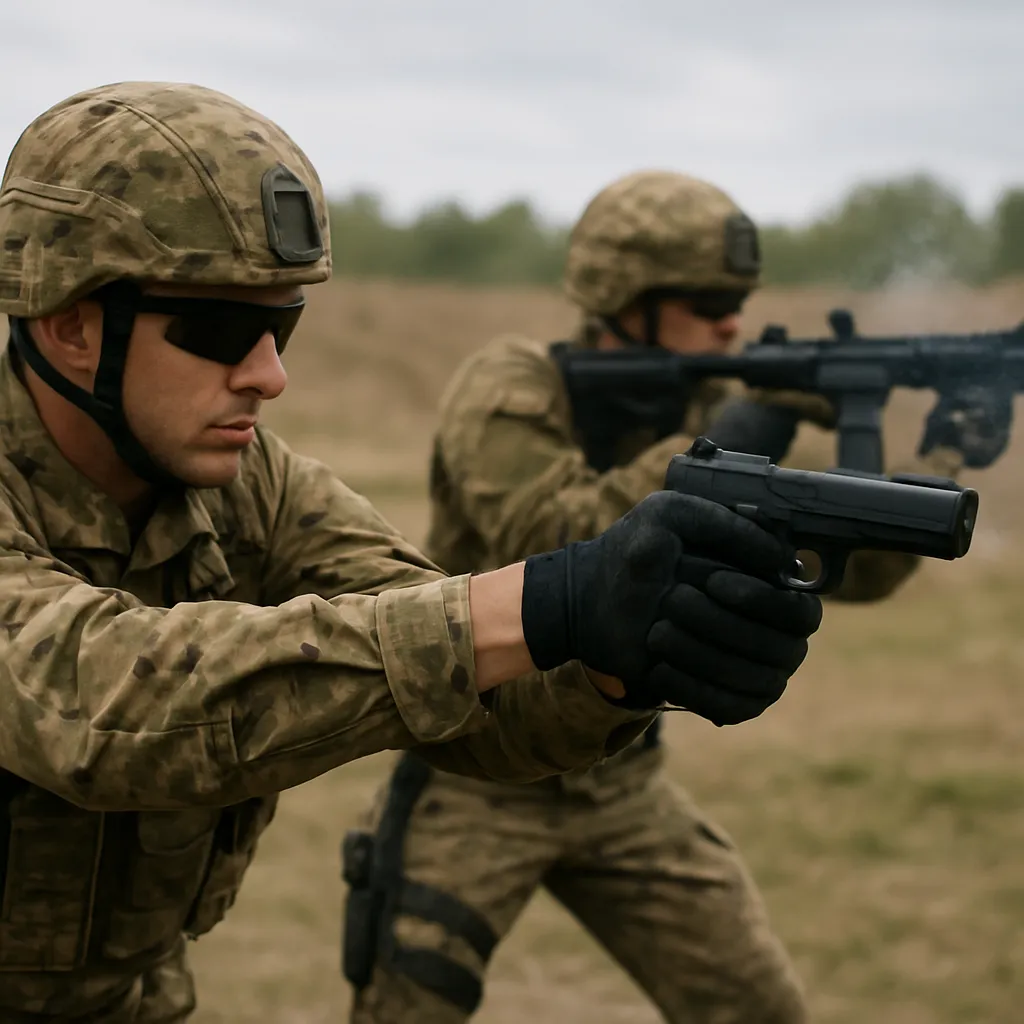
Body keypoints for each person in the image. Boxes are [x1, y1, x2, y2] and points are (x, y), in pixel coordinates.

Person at [0, 88, 824, 1023]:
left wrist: (619, 659)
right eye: (224, 331)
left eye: (285, 326)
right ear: (71, 324)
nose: (270, 374)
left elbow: (466, 689)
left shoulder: (253, 491)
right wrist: (551, 598)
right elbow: (103, 705)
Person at [343, 170, 1007, 1024]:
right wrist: (739, 430)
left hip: (624, 781)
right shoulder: (512, 384)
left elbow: (850, 571)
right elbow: (550, 537)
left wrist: (939, 464)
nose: (732, 321)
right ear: (624, 295)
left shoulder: (709, 401)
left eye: (738, 299)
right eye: (705, 299)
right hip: (476, 771)